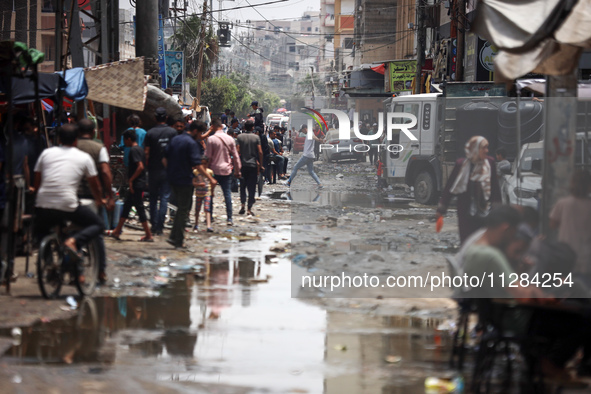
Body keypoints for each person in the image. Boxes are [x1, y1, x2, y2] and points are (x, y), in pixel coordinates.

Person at [32, 124, 105, 276]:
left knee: (41, 232)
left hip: (43, 203)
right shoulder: (83, 157)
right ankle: (74, 241)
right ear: (75, 141)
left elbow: (37, 183)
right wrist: (99, 200)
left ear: (58, 139)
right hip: (68, 204)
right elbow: (95, 185)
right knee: (98, 224)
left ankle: (49, 264)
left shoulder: (46, 153)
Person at [436, 136, 501, 244]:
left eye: (487, 148)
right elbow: (450, 188)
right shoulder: (461, 165)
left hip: (485, 210)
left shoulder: (490, 163)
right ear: (475, 149)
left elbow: (495, 188)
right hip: (465, 212)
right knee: (467, 242)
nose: (487, 151)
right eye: (483, 148)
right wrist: (441, 210)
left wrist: (499, 212)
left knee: (484, 242)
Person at [165, 121, 217, 247]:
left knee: (179, 208)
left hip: (172, 178)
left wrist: (169, 172)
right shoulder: (191, 143)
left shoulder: (175, 139)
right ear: (195, 131)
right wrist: (210, 178)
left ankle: (174, 236)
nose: (200, 136)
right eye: (200, 133)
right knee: (184, 210)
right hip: (184, 180)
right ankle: (178, 239)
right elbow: (198, 165)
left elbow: (165, 157)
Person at [76, 119, 114, 284]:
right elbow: (105, 172)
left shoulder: (70, 147)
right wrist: (109, 195)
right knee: (97, 233)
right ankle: (101, 271)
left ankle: (72, 269)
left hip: (70, 197)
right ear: (93, 132)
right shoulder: (99, 148)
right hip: (90, 196)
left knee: (70, 233)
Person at [110, 129, 153, 242]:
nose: (124, 143)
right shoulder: (140, 149)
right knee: (127, 206)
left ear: (129, 139)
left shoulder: (134, 150)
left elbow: (140, 167)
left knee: (139, 208)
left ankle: (148, 234)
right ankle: (117, 231)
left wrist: (131, 180)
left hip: (136, 184)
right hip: (138, 183)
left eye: (124, 140)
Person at [549, 169, 591, 281]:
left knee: (565, 292)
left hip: (564, 255)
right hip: (586, 257)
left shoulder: (563, 203)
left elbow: (552, 225)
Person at [144, 107, 177, 235]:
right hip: (167, 171)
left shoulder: (150, 133)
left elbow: (146, 153)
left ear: (155, 118)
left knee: (153, 198)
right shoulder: (172, 133)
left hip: (153, 170)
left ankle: (153, 225)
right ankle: (160, 227)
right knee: (164, 198)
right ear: (166, 118)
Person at [205, 118, 241, 226]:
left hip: (213, 171)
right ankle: (229, 218)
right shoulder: (230, 139)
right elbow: (235, 156)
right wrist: (238, 170)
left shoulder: (211, 139)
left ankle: (210, 216)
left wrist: (205, 172)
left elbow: (208, 157)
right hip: (226, 170)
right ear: (221, 127)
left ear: (213, 127)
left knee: (210, 194)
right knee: (227, 194)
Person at [236, 120, 262, 216]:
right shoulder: (256, 137)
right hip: (253, 166)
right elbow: (260, 152)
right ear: (252, 128)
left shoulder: (239, 137)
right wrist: (261, 164)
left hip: (243, 165)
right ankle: (249, 209)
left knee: (242, 186)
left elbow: (237, 151)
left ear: (244, 127)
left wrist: (236, 164)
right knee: (251, 187)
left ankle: (242, 204)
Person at [193, 156, 214, 232]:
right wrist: (198, 185)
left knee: (207, 209)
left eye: (204, 164)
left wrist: (212, 192)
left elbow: (212, 183)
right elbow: (193, 182)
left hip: (207, 193)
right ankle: (196, 224)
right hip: (198, 193)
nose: (203, 166)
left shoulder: (210, 172)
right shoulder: (195, 172)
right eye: (201, 164)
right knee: (197, 209)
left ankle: (208, 226)